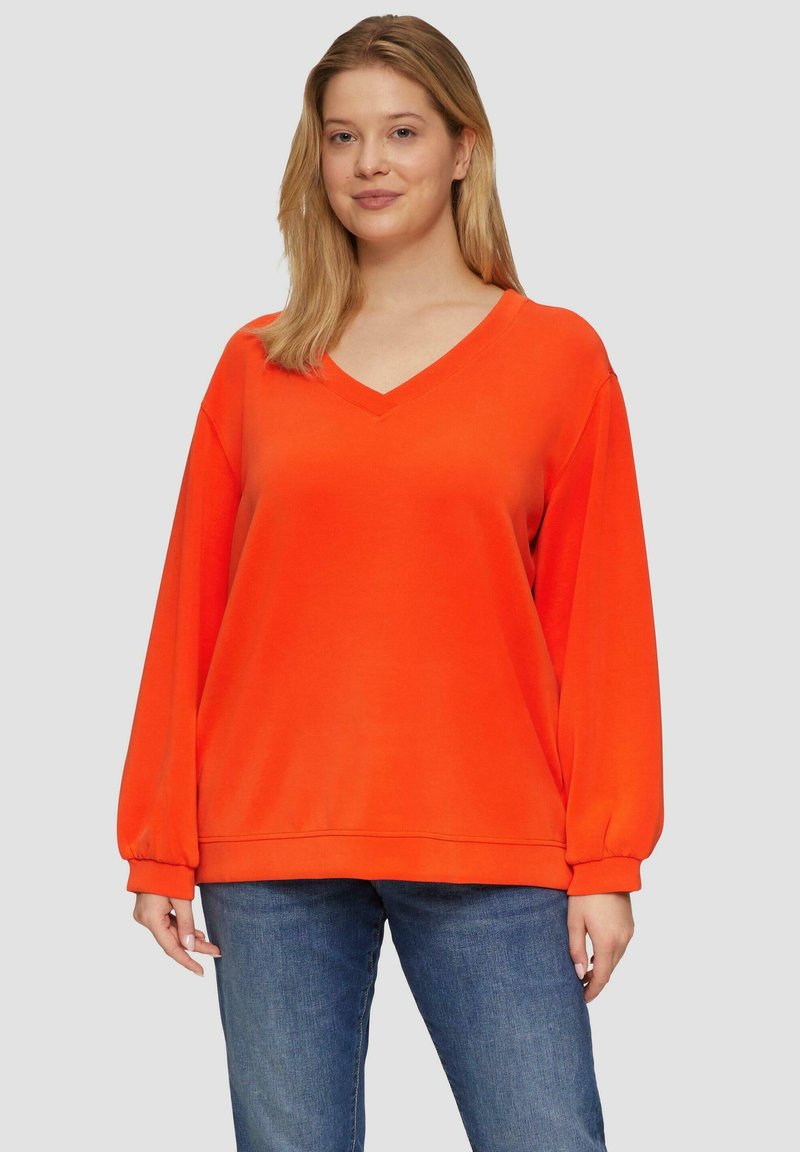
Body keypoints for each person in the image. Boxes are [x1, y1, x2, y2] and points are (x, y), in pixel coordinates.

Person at [116, 14, 664, 1151]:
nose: (369, 162)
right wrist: (158, 840)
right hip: (270, 840)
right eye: (343, 136)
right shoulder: (256, 364)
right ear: (314, 156)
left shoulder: (557, 359)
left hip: (491, 838)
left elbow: (600, 626)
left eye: (403, 132)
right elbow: (189, 613)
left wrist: (605, 860)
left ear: (464, 149)